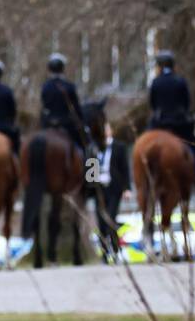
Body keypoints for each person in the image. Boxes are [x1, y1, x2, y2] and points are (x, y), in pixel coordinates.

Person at [147, 50, 195, 184]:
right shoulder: (180, 81)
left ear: (159, 66)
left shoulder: (155, 82)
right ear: (173, 66)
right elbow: (186, 103)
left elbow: (153, 104)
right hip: (179, 124)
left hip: (159, 123)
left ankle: (146, 173)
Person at [93, 122, 131, 262]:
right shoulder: (94, 146)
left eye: (106, 129)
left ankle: (115, 251)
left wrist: (127, 188)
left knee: (110, 219)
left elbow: (125, 169)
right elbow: (90, 169)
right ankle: (104, 254)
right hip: (99, 190)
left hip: (114, 188)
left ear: (111, 131)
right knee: (101, 222)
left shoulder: (119, 147)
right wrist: (90, 187)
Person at [39, 52, 89, 152]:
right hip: (66, 124)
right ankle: (86, 162)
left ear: (50, 68)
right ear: (62, 68)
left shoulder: (45, 87)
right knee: (82, 145)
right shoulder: (69, 86)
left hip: (48, 123)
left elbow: (44, 106)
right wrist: (82, 121)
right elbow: (76, 108)